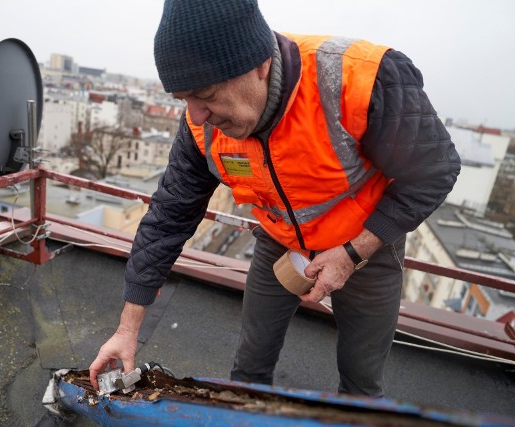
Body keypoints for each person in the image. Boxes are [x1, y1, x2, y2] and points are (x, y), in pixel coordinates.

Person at [89, 0, 460, 397]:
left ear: (260, 65)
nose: (196, 116)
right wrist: (126, 330)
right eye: (183, 99)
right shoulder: (202, 128)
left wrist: (352, 253)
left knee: (361, 381)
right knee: (249, 367)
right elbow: (169, 215)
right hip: (280, 243)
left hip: (367, 245)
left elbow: (434, 171)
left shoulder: (362, 80)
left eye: (206, 94)